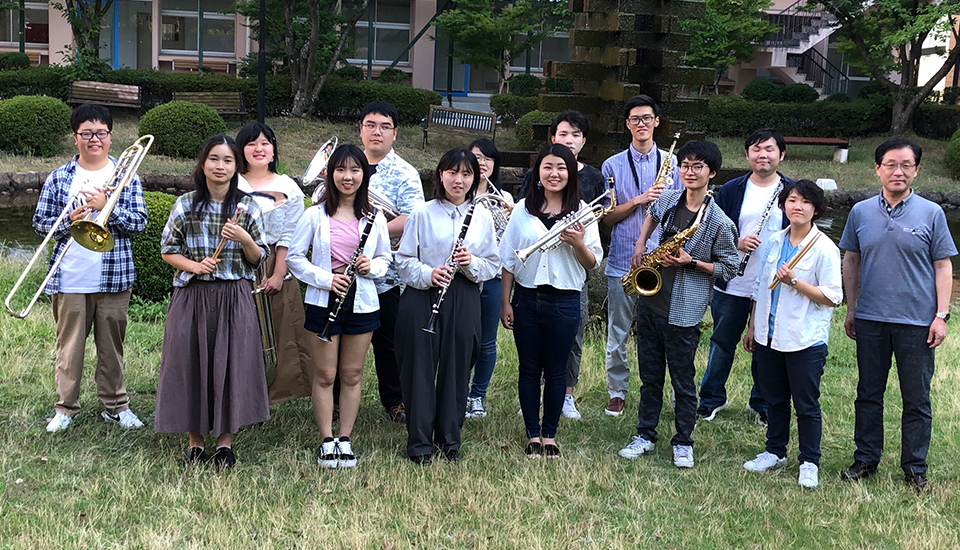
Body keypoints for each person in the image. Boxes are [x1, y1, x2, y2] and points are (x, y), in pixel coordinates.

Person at [838, 139, 956, 493]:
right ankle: (865, 458)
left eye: (906, 165)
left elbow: (943, 265)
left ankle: (914, 467)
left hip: (917, 322)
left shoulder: (931, 213)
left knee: (916, 398)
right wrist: (852, 307)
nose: (898, 171)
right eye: (890, 164)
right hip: (871, 318)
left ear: (916, 169)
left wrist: (941, 315)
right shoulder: (860, 212)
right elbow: (851, 260)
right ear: (877, 169)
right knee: (868, 392)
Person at [617, 140, 738, 469]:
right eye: (685, 165)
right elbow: (650, 214)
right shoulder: (669, 199)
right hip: (651, 302)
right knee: (650, 378)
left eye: (698, 166)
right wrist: (641, 243)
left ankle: (683, 440)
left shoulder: (719, 222)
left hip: (683, 312)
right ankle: (645, 434)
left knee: (683, 382)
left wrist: (691, 262)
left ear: (711, 173)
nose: (689, 171)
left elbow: (730, 267)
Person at [154, 135, 270, 469]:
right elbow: (168, 250)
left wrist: (244, 238)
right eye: (214, 159)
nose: (221, 167)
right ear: (203, 163)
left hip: (234, 296)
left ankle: (225, 443)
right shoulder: (186, 204)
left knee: (230, 364)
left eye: (228, 161)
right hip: (193, 295)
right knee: (192, 363)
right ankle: (195, 442)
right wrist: (195, 265)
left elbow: (258, 257)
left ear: (237, 166)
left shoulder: (248, 207)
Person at [34, 103, 148, 433]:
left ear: (111, 137)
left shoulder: (128, 177)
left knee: (112, 348)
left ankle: (116, 406)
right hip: (69, 276)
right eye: (86, 133)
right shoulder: (58, 178)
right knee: (69, 349)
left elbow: (139, 224)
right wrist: (66, 223)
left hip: (114, 277)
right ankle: (65, 408)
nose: (94, 139)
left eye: (101, 133)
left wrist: (105, 210)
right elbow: (40, 225)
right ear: (75, 137)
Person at [287, 144, 391, 468]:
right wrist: (325, 279)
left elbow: (386, 260)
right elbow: (293, 259)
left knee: (352, 372)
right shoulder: (314, 214)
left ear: (364, 175)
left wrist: (369, 267)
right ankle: (326, 439)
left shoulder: (375, 217)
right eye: (341, 170)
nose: (348, 177)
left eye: (355, 170)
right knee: (325, 373)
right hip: (324, 301)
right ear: (331, 174)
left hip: (362, 302)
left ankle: (345, 439)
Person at [395, 148, 499, 464]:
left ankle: (449, 441)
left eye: (466, 174)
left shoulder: (482, 216)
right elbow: (403, 261)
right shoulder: (422, 213)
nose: (459, 180)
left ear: (474, 179)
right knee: (420, 371)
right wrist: (429, 273)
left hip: (464, 295)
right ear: (441, 175)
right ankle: (420, 445)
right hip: (422, 296)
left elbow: (493, 264)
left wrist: (470, 263)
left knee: (457, 369)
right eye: (452, 172)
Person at [500, 144, 603, 458]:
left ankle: (550, 436)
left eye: (561, 167)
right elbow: (507, 259)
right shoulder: (521, 211)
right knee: (529, 369)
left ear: (571, 173)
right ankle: (532, 434)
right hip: (527, 299)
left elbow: (593, 263)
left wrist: (578, 244)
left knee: (557, 371)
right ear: (538, 173)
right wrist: (505, 302)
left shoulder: (584, 212)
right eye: (547, 167)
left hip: (565, 301)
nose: (554, 173)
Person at [741, 180, 841, 489]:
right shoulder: (773, 240)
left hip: (804, 337)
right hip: (768, 335)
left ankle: (809, 460)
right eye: (792, 200)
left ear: (815, 209)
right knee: (774, 398)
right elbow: (760, 286)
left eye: (805, 202)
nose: (797, 206)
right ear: (783, 206)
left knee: (806, 402)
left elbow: (832, 297)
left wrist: (795, 281)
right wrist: (753, 325)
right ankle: (775, 451)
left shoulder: (824, 247)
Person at [698, 129, 794, 425]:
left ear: (781, 154)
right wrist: (736, 242)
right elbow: (712, 229)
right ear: (747, 154)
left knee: (765, 346)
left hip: (773, 283)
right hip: (733, 280)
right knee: (721, 342)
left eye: (769, 149)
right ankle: (711, 399)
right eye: (756, 149)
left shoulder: (792, 191)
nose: (762, 155)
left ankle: (761, 402)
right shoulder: (732, 189)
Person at [600, 95, 680, 417]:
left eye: (647, 118)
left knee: (669, 330)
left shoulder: (673, 164)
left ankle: (674, 391)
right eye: (635, 119)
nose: (641, 124)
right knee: (617, 331)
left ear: (656, 122)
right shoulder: (612, 165)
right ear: (627, 124)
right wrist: (639, 200)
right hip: (623, 256)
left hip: (661, 260)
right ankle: (617, 391)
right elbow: (606, 218)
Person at [235, 122, 314, 405]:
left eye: (265, 143)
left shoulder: (287, 186)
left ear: (273, 149)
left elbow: (290, 235)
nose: (259, 148)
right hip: (235, 264)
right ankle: (238, 393)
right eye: (251, 143)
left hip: (273, 264)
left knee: (281, 329)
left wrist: (280, 272)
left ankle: (273, 394)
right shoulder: (231, 182)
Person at [360, 101, 425, 424]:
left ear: (395, 133)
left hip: (388, 275)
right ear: (361, 129)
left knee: (390, 342)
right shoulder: (347, 165)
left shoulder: (405, 172)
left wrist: (372, 233)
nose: (377, 132)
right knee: (346, 341)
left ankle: (396, 399)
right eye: (371, 125)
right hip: (348, 273)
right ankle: (342, 401)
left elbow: (413, 216)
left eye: (384, 126)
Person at [465, 138, 514, 419]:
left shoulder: (504, 199)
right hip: (463, 275)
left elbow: (510, 241)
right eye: (476, 157)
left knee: (486, 341)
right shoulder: (458, 192)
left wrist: (512, 214)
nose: (482, 163)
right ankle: (456, 390)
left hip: (492, 276)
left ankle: (477, 395)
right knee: (460, 339)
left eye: (488, 159)